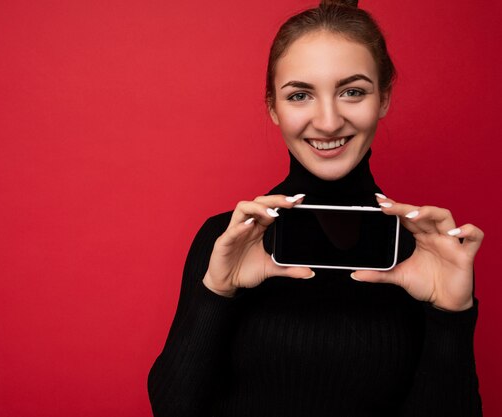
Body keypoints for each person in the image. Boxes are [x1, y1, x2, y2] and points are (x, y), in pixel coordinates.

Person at [148, 0, 484, 415]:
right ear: (274, 106)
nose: (327, 122)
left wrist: (451, 314)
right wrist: (216, 293)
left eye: (353, 92)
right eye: (300, 94)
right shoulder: (226, 240)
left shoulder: (427, 250)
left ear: (384, 99)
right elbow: (172, 409)